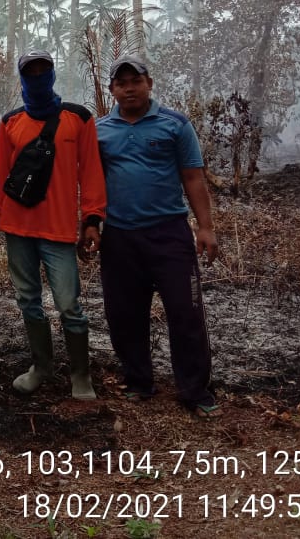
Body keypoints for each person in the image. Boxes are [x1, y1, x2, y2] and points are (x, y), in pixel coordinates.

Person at [96, 54, 221, 419]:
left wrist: (206, 227)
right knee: (123, 313)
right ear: (112, 90)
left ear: (149, 83)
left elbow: (193, 177)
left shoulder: (175, 125)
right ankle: (138, 382)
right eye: (121, 83)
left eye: (135, 80)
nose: (129, 88)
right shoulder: (100, 130)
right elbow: (89, 181)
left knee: (186, 310)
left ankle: (195, 390)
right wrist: (88, 223)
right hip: (119, 236)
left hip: (169, 233)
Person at [0, 50, 106, 400]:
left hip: (59, 231)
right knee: (28, 301)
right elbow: (3, 176)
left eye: (43, 70)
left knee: (69, 304)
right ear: (22, 78)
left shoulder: (79, 119)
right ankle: (41, 366)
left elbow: (92, 174)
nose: (37, 77)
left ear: (53, 74)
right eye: (30, 72)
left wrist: (93, 220)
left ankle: (81, 375)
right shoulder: (10, 122)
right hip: (17, 229)